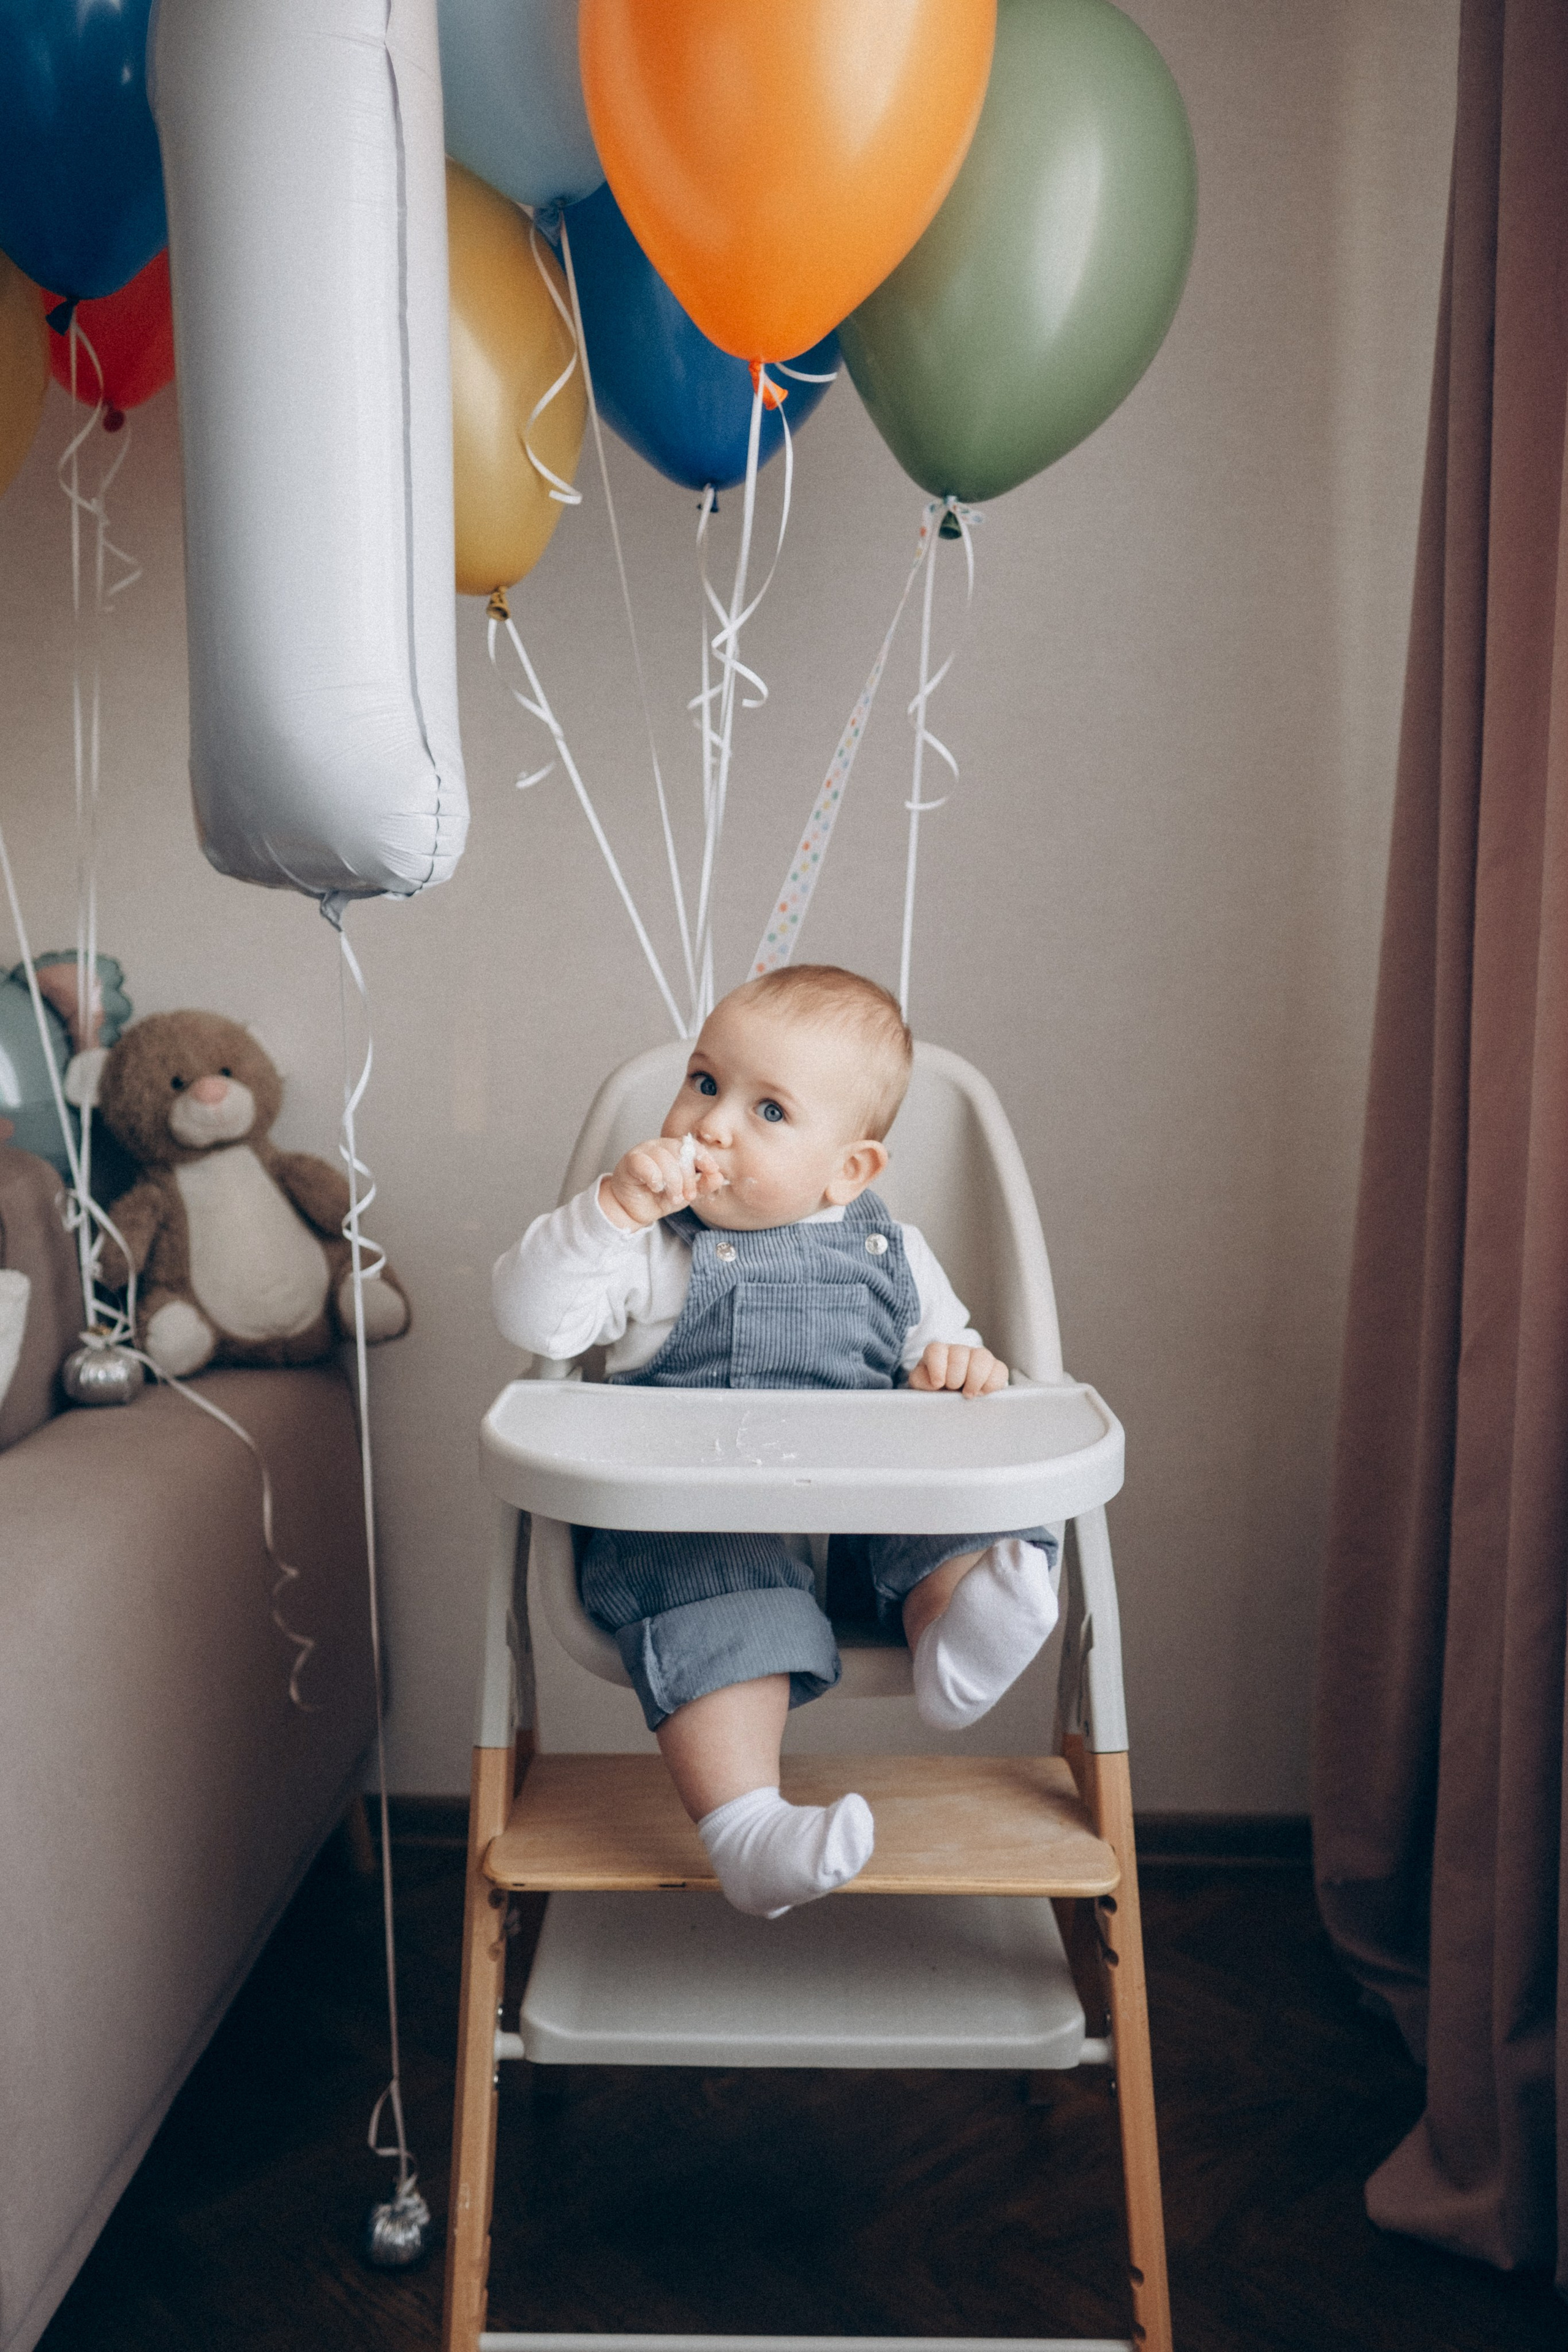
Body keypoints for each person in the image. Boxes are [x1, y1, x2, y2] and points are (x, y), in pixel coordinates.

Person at [492, 965, 1059, 1918]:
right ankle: (747, 1827)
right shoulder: (652, 1247)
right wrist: (609, 1213)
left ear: (850, 1171)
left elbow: (949, 1359)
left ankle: (954, 1636)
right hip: (706, 1528)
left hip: (863, 1527)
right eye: (705, 1083)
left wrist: (961, 1367)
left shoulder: (896, 1253)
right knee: (719, 1600)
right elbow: (535, 1321)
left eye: (769, 1111)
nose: (711, 1125)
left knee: (956, 1518)